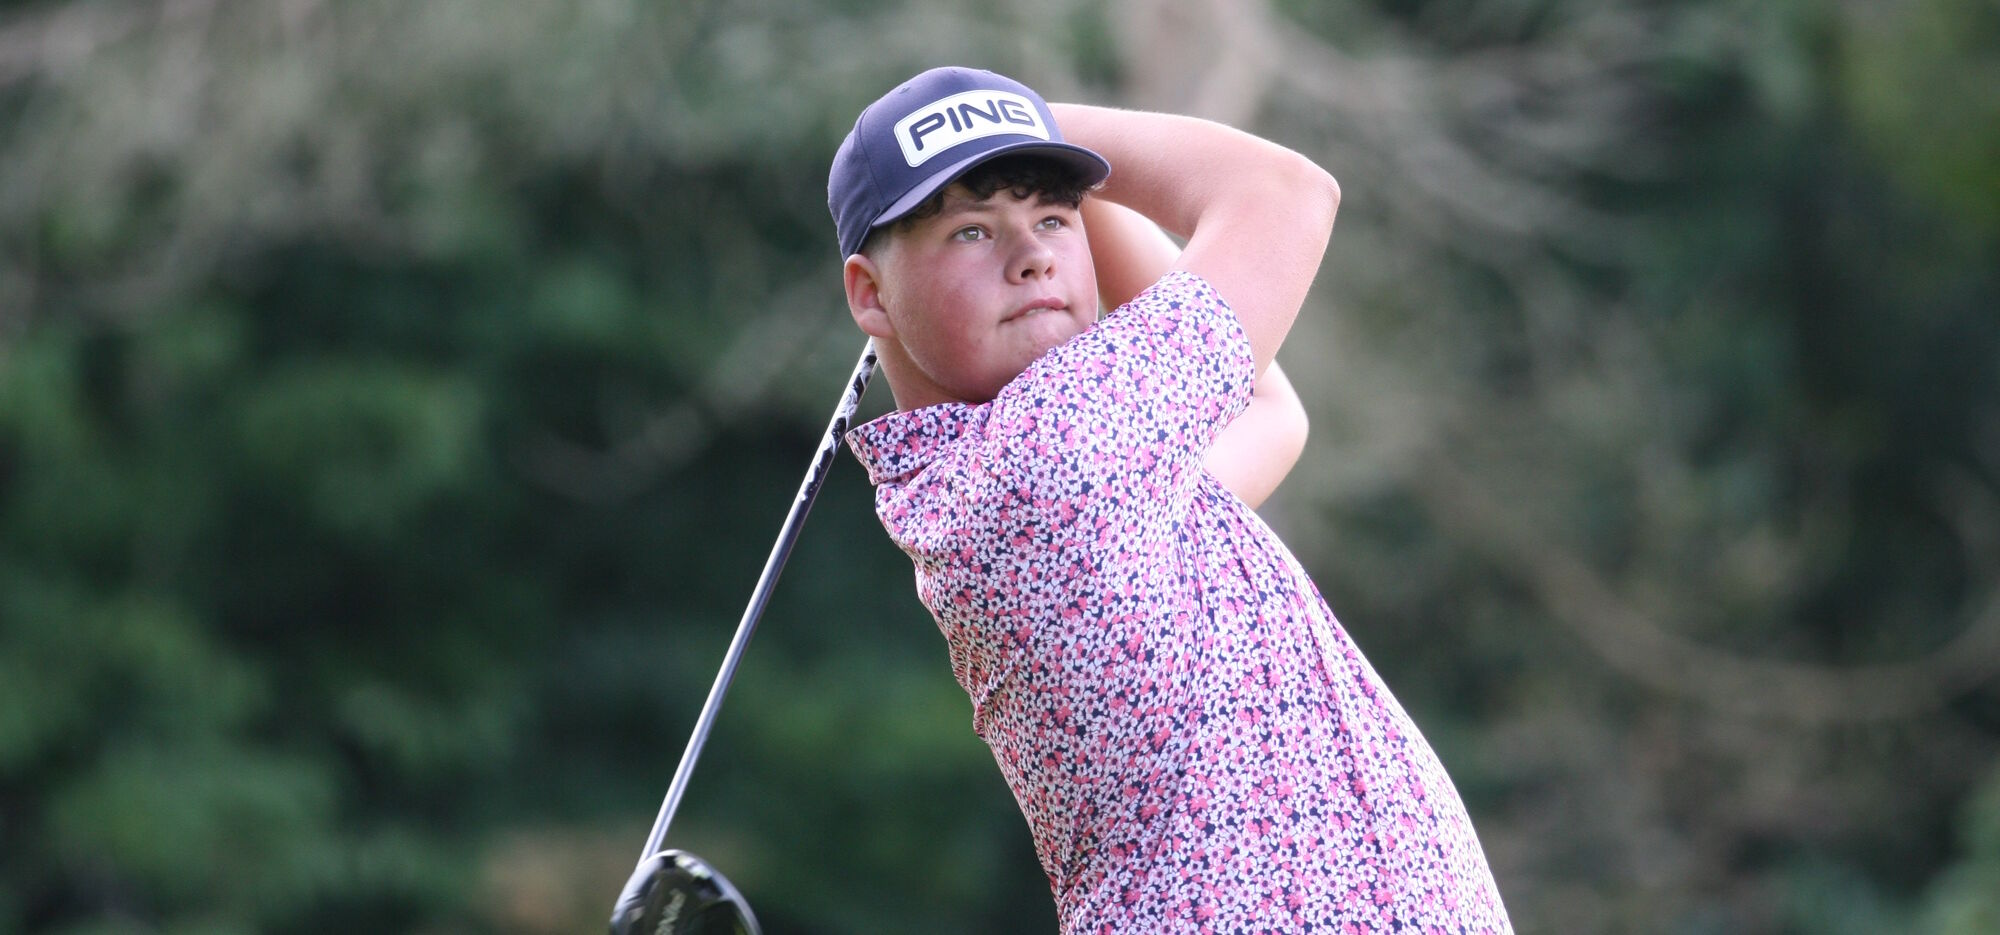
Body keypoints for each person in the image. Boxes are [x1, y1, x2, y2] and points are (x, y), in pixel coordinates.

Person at [828, 66, 1513, 933]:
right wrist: (1037, 123)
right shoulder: (1051, 451)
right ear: (870, 294)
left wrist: (1015, 138)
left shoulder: (1034, 482)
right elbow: (1285, 193)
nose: (1032, 254)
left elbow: (1267, 410)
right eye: (971, 230)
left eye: (1053, 217)